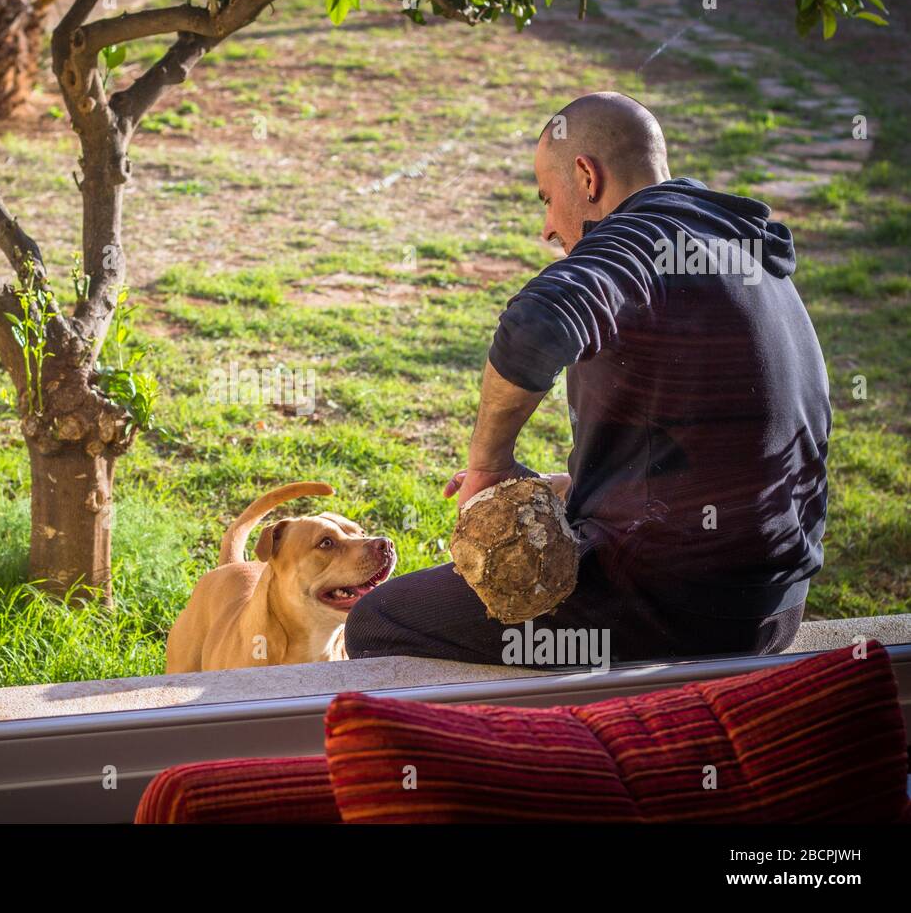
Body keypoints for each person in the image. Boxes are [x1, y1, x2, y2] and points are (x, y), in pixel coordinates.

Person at [344, 91, 831, 667]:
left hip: (678, 612)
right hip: (777, 606)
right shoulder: (739, 250)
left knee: (381, 621)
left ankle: (563, 752)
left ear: (587, 176)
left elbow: (533, 327)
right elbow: (725, 449)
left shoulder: (639, 241)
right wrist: (583, 487)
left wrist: (488, 466)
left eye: (548, 199)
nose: (549, 227)